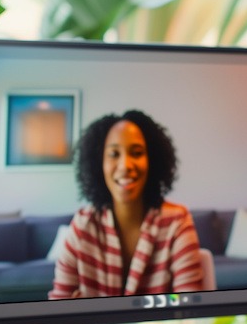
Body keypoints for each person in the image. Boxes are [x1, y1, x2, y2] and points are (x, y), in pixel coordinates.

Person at [49, 110, 204, 299]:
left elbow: (191, 307)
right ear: (99, 164)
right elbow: (58, 306)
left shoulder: (177, 223)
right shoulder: (82, 226)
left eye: (137, 153)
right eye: (114, 153)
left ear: (152, 161)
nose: (125, 165)